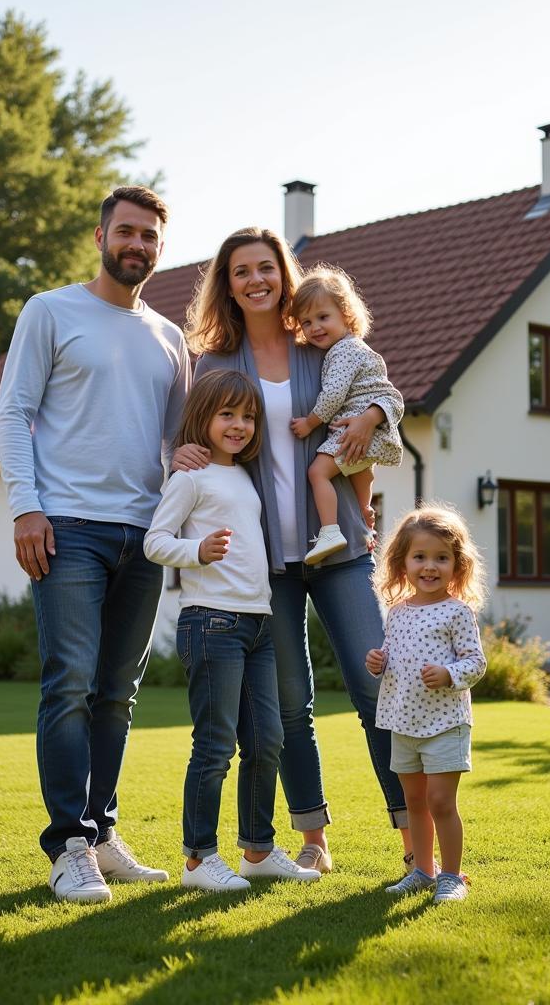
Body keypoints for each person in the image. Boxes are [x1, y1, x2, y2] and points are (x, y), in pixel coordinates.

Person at [175, 227, 414, 876]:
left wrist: (374, 418)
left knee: (374, 688)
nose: (256, 280)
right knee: (289, 706)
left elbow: (384, 391)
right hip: (261, 567)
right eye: (241, 272)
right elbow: (192, 437)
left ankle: (412, 835)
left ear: (283, 274)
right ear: (227, 285)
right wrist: (182, 452)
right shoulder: (217, 365)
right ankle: (313, 836)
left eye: (266, 268)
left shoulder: (321, 347)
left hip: (337, 549)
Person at [0, 185, 191, 904]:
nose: (137, 245)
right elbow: (12, 413)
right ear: (102, 235)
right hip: (66, 528)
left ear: (159, 249)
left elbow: (178, 446)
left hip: (144, 537)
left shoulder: (170, 339)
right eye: (127, 232)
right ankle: (68, 846)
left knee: (117, 694)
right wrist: (25, 509)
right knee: (69, 684)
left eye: (150, 238)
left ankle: (102, 835)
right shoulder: (51, 311)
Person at [144, 370, 321, 891]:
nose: (240, 425)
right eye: (227, 415)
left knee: (267, 740)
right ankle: (198, 859)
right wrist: (195, 552)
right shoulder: (190, 477)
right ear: (203, 418)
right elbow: (156, 541)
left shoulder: (247, 476)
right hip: (211, 622)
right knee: (216, 745)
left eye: (248, 417)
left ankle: (258, 849)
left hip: (258, 624)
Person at [365, 504, 488, 903]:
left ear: (458, 564)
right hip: (404, 723)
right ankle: (422, 869)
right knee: (413, 801)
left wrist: (449, 673)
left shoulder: (457, 612)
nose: (430, 567)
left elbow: (475, 662)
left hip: (445, 723)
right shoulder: (398, 612)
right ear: (403, 562)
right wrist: (378, 662)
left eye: (441, 558)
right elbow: (392, 655)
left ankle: (451, 876)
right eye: (420, 557)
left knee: (439, 802)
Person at [286, 265, 403, 565]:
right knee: (362, 470)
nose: (314, 328)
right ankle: (365, 513)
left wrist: (311, 422)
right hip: (370, 437)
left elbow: (334, 394)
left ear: (346, 314)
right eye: (306, 322)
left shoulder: (343, 351)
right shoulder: (354, 349)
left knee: (318, 473)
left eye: (323, 317)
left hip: (353, 429)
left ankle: (329, 530)